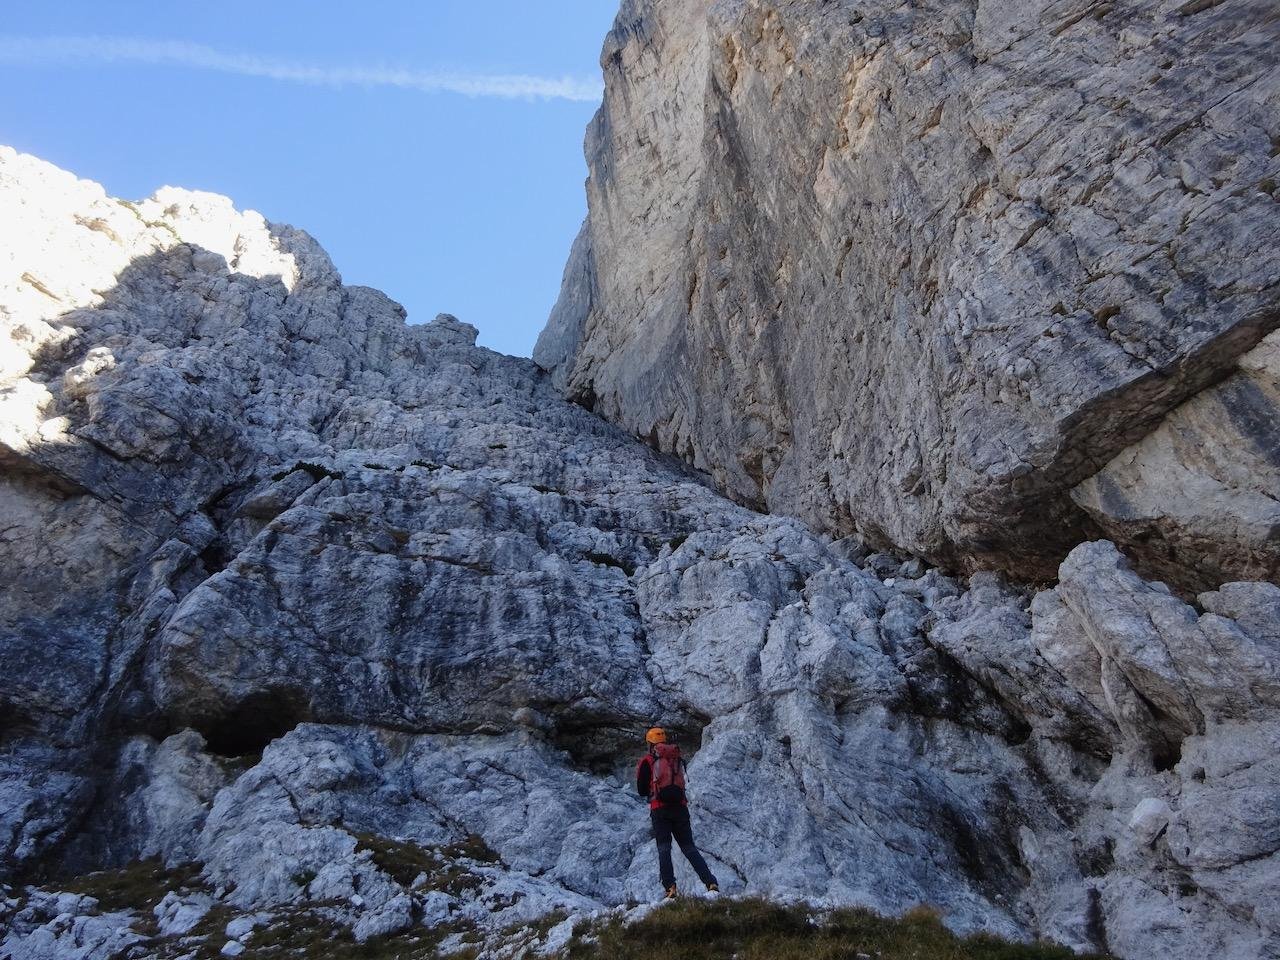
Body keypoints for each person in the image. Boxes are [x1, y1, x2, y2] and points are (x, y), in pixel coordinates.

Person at [635, 727, 719, 899]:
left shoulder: (647, 761)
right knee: (689, 848)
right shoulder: (677, 759)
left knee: (664, 849)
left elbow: (642, 791)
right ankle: (710, 882)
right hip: (680, 809)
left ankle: (670, 888)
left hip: (660, 810)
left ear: (649, 743)